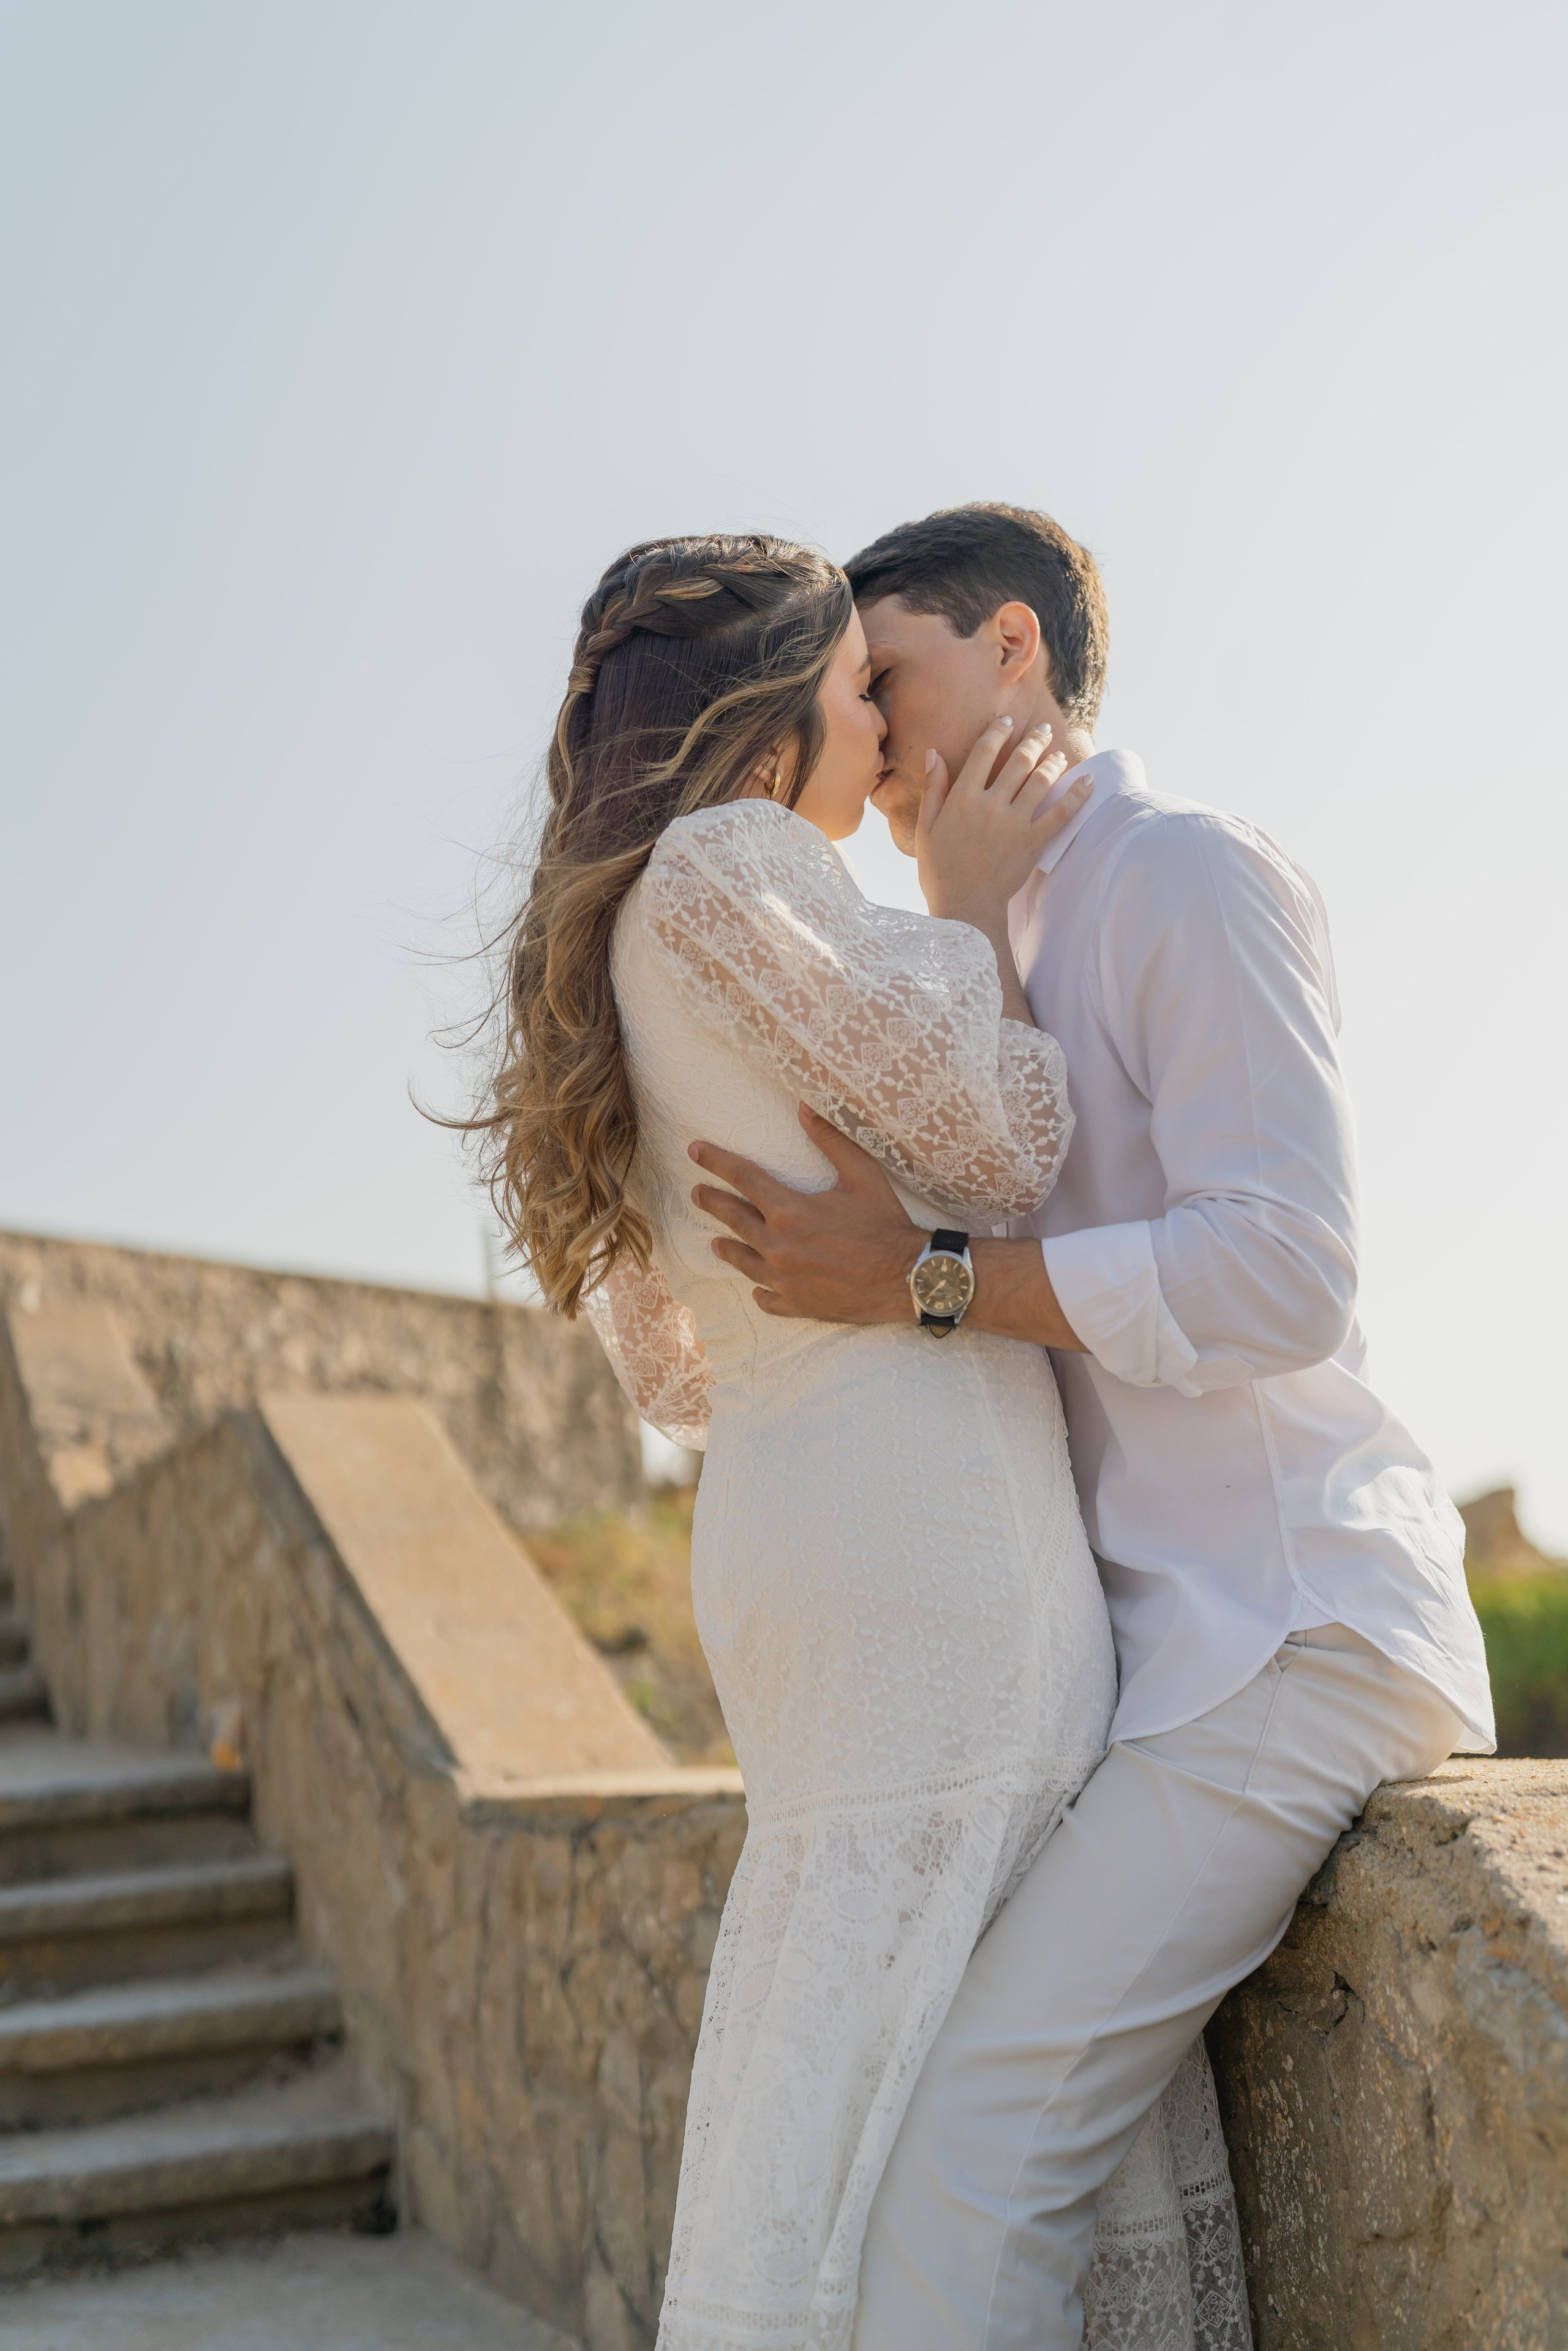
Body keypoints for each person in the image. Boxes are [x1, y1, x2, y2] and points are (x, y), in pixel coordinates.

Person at [686, 502, 1497, 2349]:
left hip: (1290, 1627)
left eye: (889, 674)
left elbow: (1284, 1271)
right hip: (1156, 1673)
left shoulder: (1181, 874)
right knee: (922, 2155)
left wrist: (925, 1275)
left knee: (967, 2181)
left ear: (1015, 649)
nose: (868, 731)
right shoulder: (971, 938)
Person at [477, 531, 1250, 2351]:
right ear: (770, 715)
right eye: (854, 690)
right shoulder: (738, 862)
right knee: (984, 2042)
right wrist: (970, 914)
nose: (885, 732)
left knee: (852, 2026)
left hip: (781, 1523)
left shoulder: (624, 932)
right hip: (929, 1536)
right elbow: (1010, 1143)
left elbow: (674, 1377)